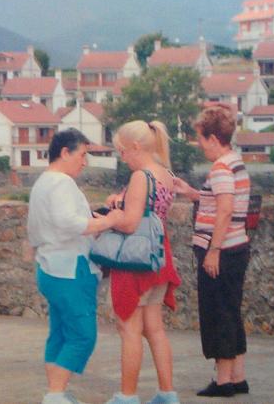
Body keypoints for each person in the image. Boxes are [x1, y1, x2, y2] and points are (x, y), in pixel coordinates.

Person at [27, 128, 124, 404]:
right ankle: (55, 395)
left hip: (49, 266)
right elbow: (68, 222)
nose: (85, 161)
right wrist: (109, 221)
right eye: (82, 155)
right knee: (83, 335)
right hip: (70, 268)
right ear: (64, 152)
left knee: (59, 334)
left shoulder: (43, 182)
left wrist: (93, 217)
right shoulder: (62, 183)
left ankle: (56, 392)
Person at [173, 105, 251, 398]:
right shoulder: (235, 163)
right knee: (231, 311)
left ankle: (223, 381)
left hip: (222, 250)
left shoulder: (220, 168)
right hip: (237, 247)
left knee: (218, 314)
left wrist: (213, 250)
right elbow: (218, 200)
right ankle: (237, 376)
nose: (200, 146)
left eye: (202, 140)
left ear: (214, 139)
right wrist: (191, 192)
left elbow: (225, 210)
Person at [104, 120, 182, 404]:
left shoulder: (141, 176)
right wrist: (121, 202)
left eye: (123, 151)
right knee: (155, 329)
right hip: (159, 257)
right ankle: (167, 394)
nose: (122, 157)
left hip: (135, 261)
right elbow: (152, 212)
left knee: (130, 330)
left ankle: (127, 396)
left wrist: (110, 217)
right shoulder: (166, 175)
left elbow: (130, 223)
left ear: (136, 146)